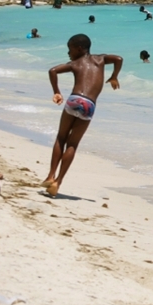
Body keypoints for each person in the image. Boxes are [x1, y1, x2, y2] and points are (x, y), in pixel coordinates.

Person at [42, 34, 122, 196]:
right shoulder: (100, 60)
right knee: (73, 144)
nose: (68, 53)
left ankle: (51, 176)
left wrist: (57, 91)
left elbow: (52, 71)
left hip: (74, 99)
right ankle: (58, 182)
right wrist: (114, 76)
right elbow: (119, 59)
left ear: (79, 48)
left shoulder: (75, 63)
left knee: (61, 138)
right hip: (89, 105)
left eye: (69, 49)